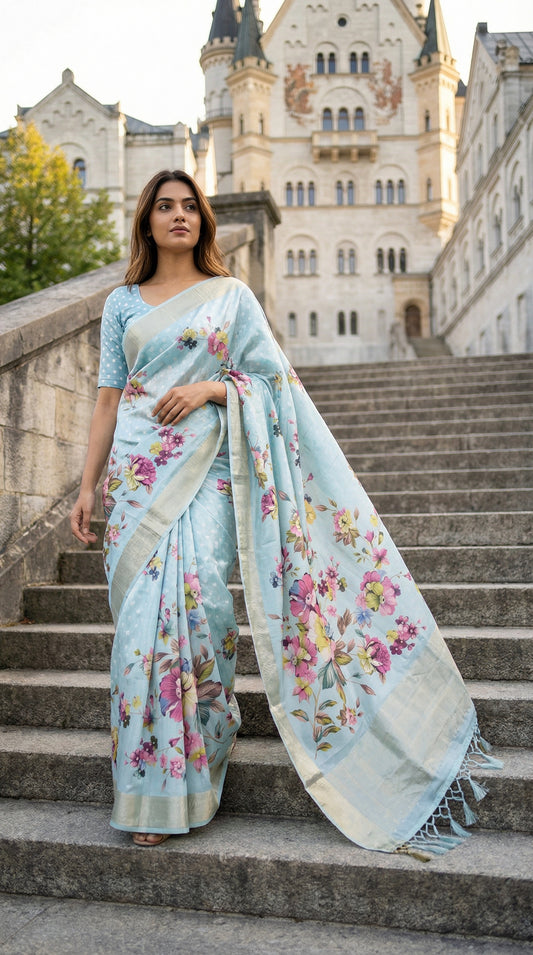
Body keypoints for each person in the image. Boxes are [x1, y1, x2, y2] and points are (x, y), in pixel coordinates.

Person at [70, 170, 500, 854]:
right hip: (134, 480)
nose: (177, 216)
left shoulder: (231, 298)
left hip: (206, 473)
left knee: (203, 609)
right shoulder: (122, 303)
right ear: (146, 222)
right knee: (138, 636)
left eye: (188, 206)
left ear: (204, 222)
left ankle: (198, 765)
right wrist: (87, 486)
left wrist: (214, 387)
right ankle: (145, 789)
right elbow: (105, 399)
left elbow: (271, 384)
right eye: (163, 207)